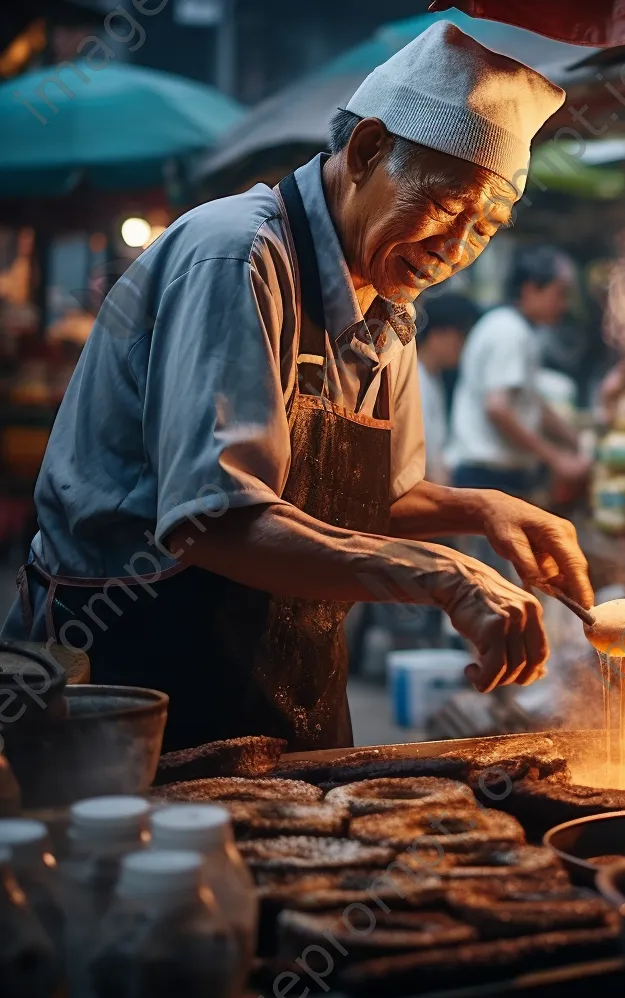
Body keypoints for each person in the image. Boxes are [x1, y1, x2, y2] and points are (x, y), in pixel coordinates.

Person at [2, 22, 593, 753]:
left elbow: (376, 499)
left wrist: (482, 507)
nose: (455, 250)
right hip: (129, 668)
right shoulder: (237, 256)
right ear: (368, 150)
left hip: (281, 671)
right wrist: (443, 575)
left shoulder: (386, 298)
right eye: (445, 207)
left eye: (485, 228)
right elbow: (211, 518)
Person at [448, 245, 590, 500]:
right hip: (488, 478)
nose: (563, 305)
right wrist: (555, 458)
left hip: (493, 477)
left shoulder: (513, 327)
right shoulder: (510, 332)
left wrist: (572, 439)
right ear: (530, 288)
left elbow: (529, 400)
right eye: (559, 294)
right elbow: (498, 408)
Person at [416, 293, 479, 484]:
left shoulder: (434, 379)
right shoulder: (415, 379)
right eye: (461, 337)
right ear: (438, 334)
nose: (464, 347)